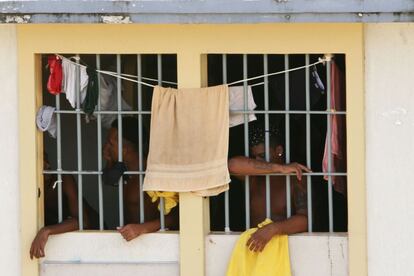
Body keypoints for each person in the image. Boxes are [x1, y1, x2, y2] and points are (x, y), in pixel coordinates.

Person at [227, 125, 310, 252]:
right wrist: (278, 168)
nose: (258, 161)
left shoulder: (295, 179)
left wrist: (272, 229)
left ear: (279, 150)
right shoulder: (253, 178)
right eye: (254, 157)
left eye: (262, 155)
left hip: (285, 249)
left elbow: (305, 221)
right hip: (253, 249)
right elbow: (232, 165)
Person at [103, 117, 178, 241]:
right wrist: (109, 161)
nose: (105, 148)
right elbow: (108, 179)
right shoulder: (125, 172)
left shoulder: (152, 175)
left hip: (156, 242)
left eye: (110, 144)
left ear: (124, 149)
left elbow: (176, 216)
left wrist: (142, 228)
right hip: (132, 243)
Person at [30, 153, 99, 259]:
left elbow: (82, 222)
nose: (46, 164)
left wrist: (46, 231)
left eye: (46, 159)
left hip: (95, 234)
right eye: (40, 160)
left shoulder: (63, 180)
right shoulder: (28, 188)